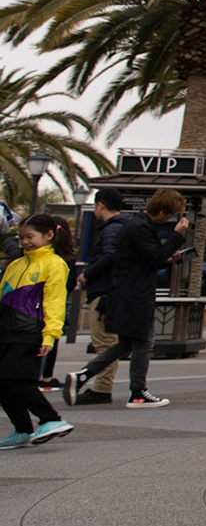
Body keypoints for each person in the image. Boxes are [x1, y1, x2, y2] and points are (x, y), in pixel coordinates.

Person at [64, 189, 187, 410]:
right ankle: (138, 393)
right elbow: (154, 256)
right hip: (135, 294)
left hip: (127, 292)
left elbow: (146, 258)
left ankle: (84, 375)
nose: (169, 220)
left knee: (127, 343)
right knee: (144, 341)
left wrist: (166, 257)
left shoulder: (137, 225)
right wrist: (177, 236)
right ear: (162, 212)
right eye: (170, 215)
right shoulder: (140, 227)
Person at [0, 214, 76, 448]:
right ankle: (23, 429)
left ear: (49, 235)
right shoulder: (16, 264)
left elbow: (55, 301)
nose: (25, 242)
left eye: (30, 237)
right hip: (6, 331)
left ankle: (52, 419)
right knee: (3, 381)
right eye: (21, 237)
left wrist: (50, 335)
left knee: (17, 379)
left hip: (30, 331)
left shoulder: (55, 264)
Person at [72, 190, 134, 405]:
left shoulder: (111, 228)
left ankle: (101, 388)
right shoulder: (126, 226)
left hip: (104, 291)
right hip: (117, 290)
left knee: (104, 342)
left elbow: (110, 254)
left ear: (100, 205)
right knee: (110, 341)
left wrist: (87, 274)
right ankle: (102, 387)